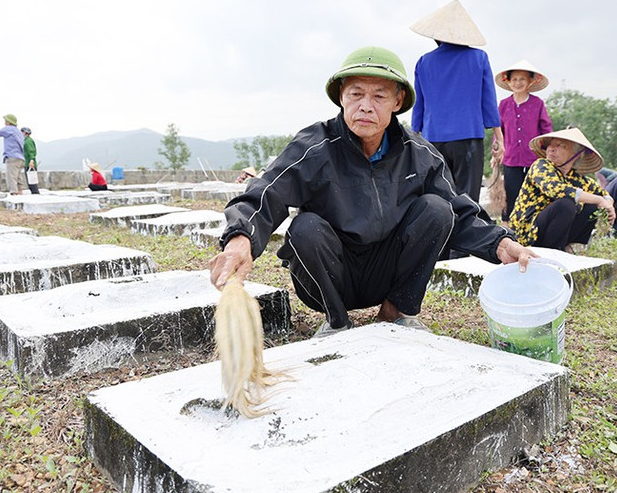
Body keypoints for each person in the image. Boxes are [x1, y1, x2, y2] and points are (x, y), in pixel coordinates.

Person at [209, 46, 535, 338]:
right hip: (331, 276)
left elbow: (460, 210)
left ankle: (394, 314)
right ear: (341, 97)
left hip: (388, 274)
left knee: (436, 209)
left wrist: (499, 243)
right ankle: (337, 324)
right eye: (356, 94)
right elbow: (267, 191)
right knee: (304, 228)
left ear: (398, 101)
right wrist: (241, 238)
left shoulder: (419, 154)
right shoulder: (315, 146)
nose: (365, 106)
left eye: (379, 96)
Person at [410, 0, 504, 203]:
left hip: (432, 139)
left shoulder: (424, 62)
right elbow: (488, 101)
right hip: (468, 137)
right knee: (468, 199)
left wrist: (414, 134)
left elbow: (419, 106)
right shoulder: (479, 58)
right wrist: (499, 138)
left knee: (437, 197)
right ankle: (466, 235)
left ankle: (442, 234)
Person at [510, 127, 615, 251]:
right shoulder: (541, 166)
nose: (552, 148)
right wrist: (599, 200)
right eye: (551, 145)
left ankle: (571, 248)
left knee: (591, 206)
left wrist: (608, 205)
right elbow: (556, 189)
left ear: (575, 155)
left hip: (555, 233)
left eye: (561, 146)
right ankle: (552, 252)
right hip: (528, 231)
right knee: (565, 204)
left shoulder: (576, 178)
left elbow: (603, 194)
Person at [494, 60, 553, 226]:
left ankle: (530, 225)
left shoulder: (537, 104)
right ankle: (506, 227)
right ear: (508, 81)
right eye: (514, 80)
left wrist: (547, 152)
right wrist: (497, 151)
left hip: (533, 158)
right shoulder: (504, 105)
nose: (518, 83)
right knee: (510, 192)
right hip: (511, 157)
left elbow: (546, 129)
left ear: (530, 82)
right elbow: (499, 131)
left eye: (522, 79)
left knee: (532, 192)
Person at [22, 127, 40, 194]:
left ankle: (36, 195)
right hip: (26, 163)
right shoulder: (25, 140)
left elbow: (31, 152)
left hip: (29, 163)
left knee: (32, 183)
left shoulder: (28, 141)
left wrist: (31, 160)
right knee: (30, 183)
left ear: (25, 133)